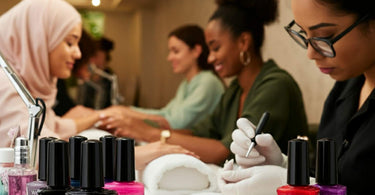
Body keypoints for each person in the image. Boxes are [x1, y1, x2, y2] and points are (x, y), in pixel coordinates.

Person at [100, 0, 307, 164]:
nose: (210, 58)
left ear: (244, 42)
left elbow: (225, 151)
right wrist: (138, 127)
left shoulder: (275, 86)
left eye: (215, 48)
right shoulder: (235, 90)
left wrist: (149, 133)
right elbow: (198, 132)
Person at [221, 0, 375, 194]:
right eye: (303, 34)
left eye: (324, 36)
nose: (311, 53)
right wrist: (286, 166)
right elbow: (332, 178)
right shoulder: (344, 91)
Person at [0, 0, 102, 147]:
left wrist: (99, 116)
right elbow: (39, 150)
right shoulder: (4, 82)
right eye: (69, 43)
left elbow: (51, 125)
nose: (78, 54)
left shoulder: (24, 83)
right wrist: (132, 155)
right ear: (38, 39)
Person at [104, 25, 225, 130]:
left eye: (175, 51)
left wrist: (127, 112)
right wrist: (128, 110)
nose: (169, 57)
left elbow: (175, 123)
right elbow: (166, 113)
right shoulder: (187, 83)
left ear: (196, 51)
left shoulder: (207, 82)